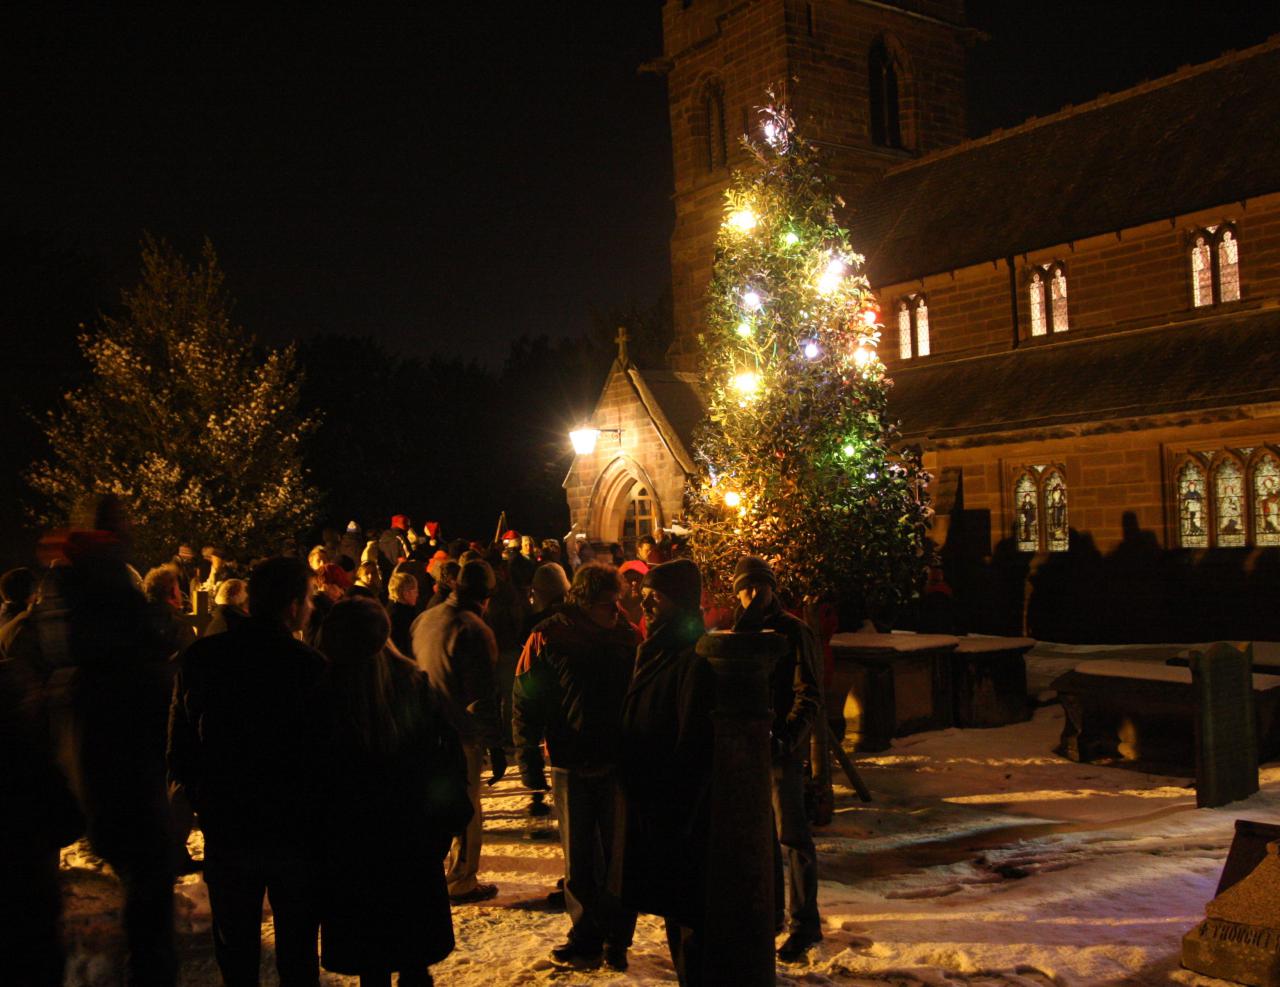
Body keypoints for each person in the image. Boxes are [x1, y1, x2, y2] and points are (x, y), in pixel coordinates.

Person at [168, 556, 326, 985]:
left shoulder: (203, 656)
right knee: (297, 947)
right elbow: (323, 753)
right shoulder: (307, 666)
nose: (311, 609)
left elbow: (179, 745)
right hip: (291, 827)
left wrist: (204, 798)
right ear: (293, 606)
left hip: (228, 822)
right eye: (310, 600)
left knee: (235, 947)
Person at [311, 598, 470, 987]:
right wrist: (442, 823)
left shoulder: (326, 694)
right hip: (409, 842)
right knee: (411, 952)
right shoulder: (410, 684)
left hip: (357, 846)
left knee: (373, 959)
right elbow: (443, 762)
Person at [513, 562, 640, 970]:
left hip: (616, 760)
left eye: (617, 602)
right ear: (584, 601)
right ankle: (585, 935)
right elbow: (525, 700)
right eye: (607, 604)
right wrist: (529, 758)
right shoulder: (548, 635)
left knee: (618, 858)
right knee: (580, 859)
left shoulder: (626, 635)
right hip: (570, 760)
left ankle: (616, 938)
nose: (615, 610)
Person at [615, 559, 716, 986]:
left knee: (688, 905)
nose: (646, 605)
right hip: (649, 796)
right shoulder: (655, 648)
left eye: (655, 598)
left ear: (678, 601)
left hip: (674, 805)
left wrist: (670, 802)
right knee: (672, 903)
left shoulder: (692, 657)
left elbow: (692, 740)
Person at [731, 556, 825, 962]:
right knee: (759, 837)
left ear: (771, 588)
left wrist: (786, 739)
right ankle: (767, 917)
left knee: (793, 836)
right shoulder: (740, 631)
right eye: (745, 588)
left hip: (780, 750)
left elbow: (809, 694)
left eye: (758, 587)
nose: (752, 595)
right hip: (748, 750)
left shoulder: (793, 630)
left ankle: (805, 923)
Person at [410, 559, 507, 903]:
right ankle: (461, 879)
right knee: (467, 809)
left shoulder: (426, 619)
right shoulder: (474, 629)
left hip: (427, 729)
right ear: (487, 596)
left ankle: (441, 871)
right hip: (460, 733)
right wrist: (495, 746)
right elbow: (482, 697)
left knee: (438, 806)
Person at [386, 571, 419, 656]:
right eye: (415, 591)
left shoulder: (391, 611)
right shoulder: (400, 617)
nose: (417, 594)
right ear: (406, 594)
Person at [617, 560, 649, 630]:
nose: (634, 583)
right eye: (628, 580)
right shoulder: (614, 612)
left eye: (637, 579)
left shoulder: (652, 611)